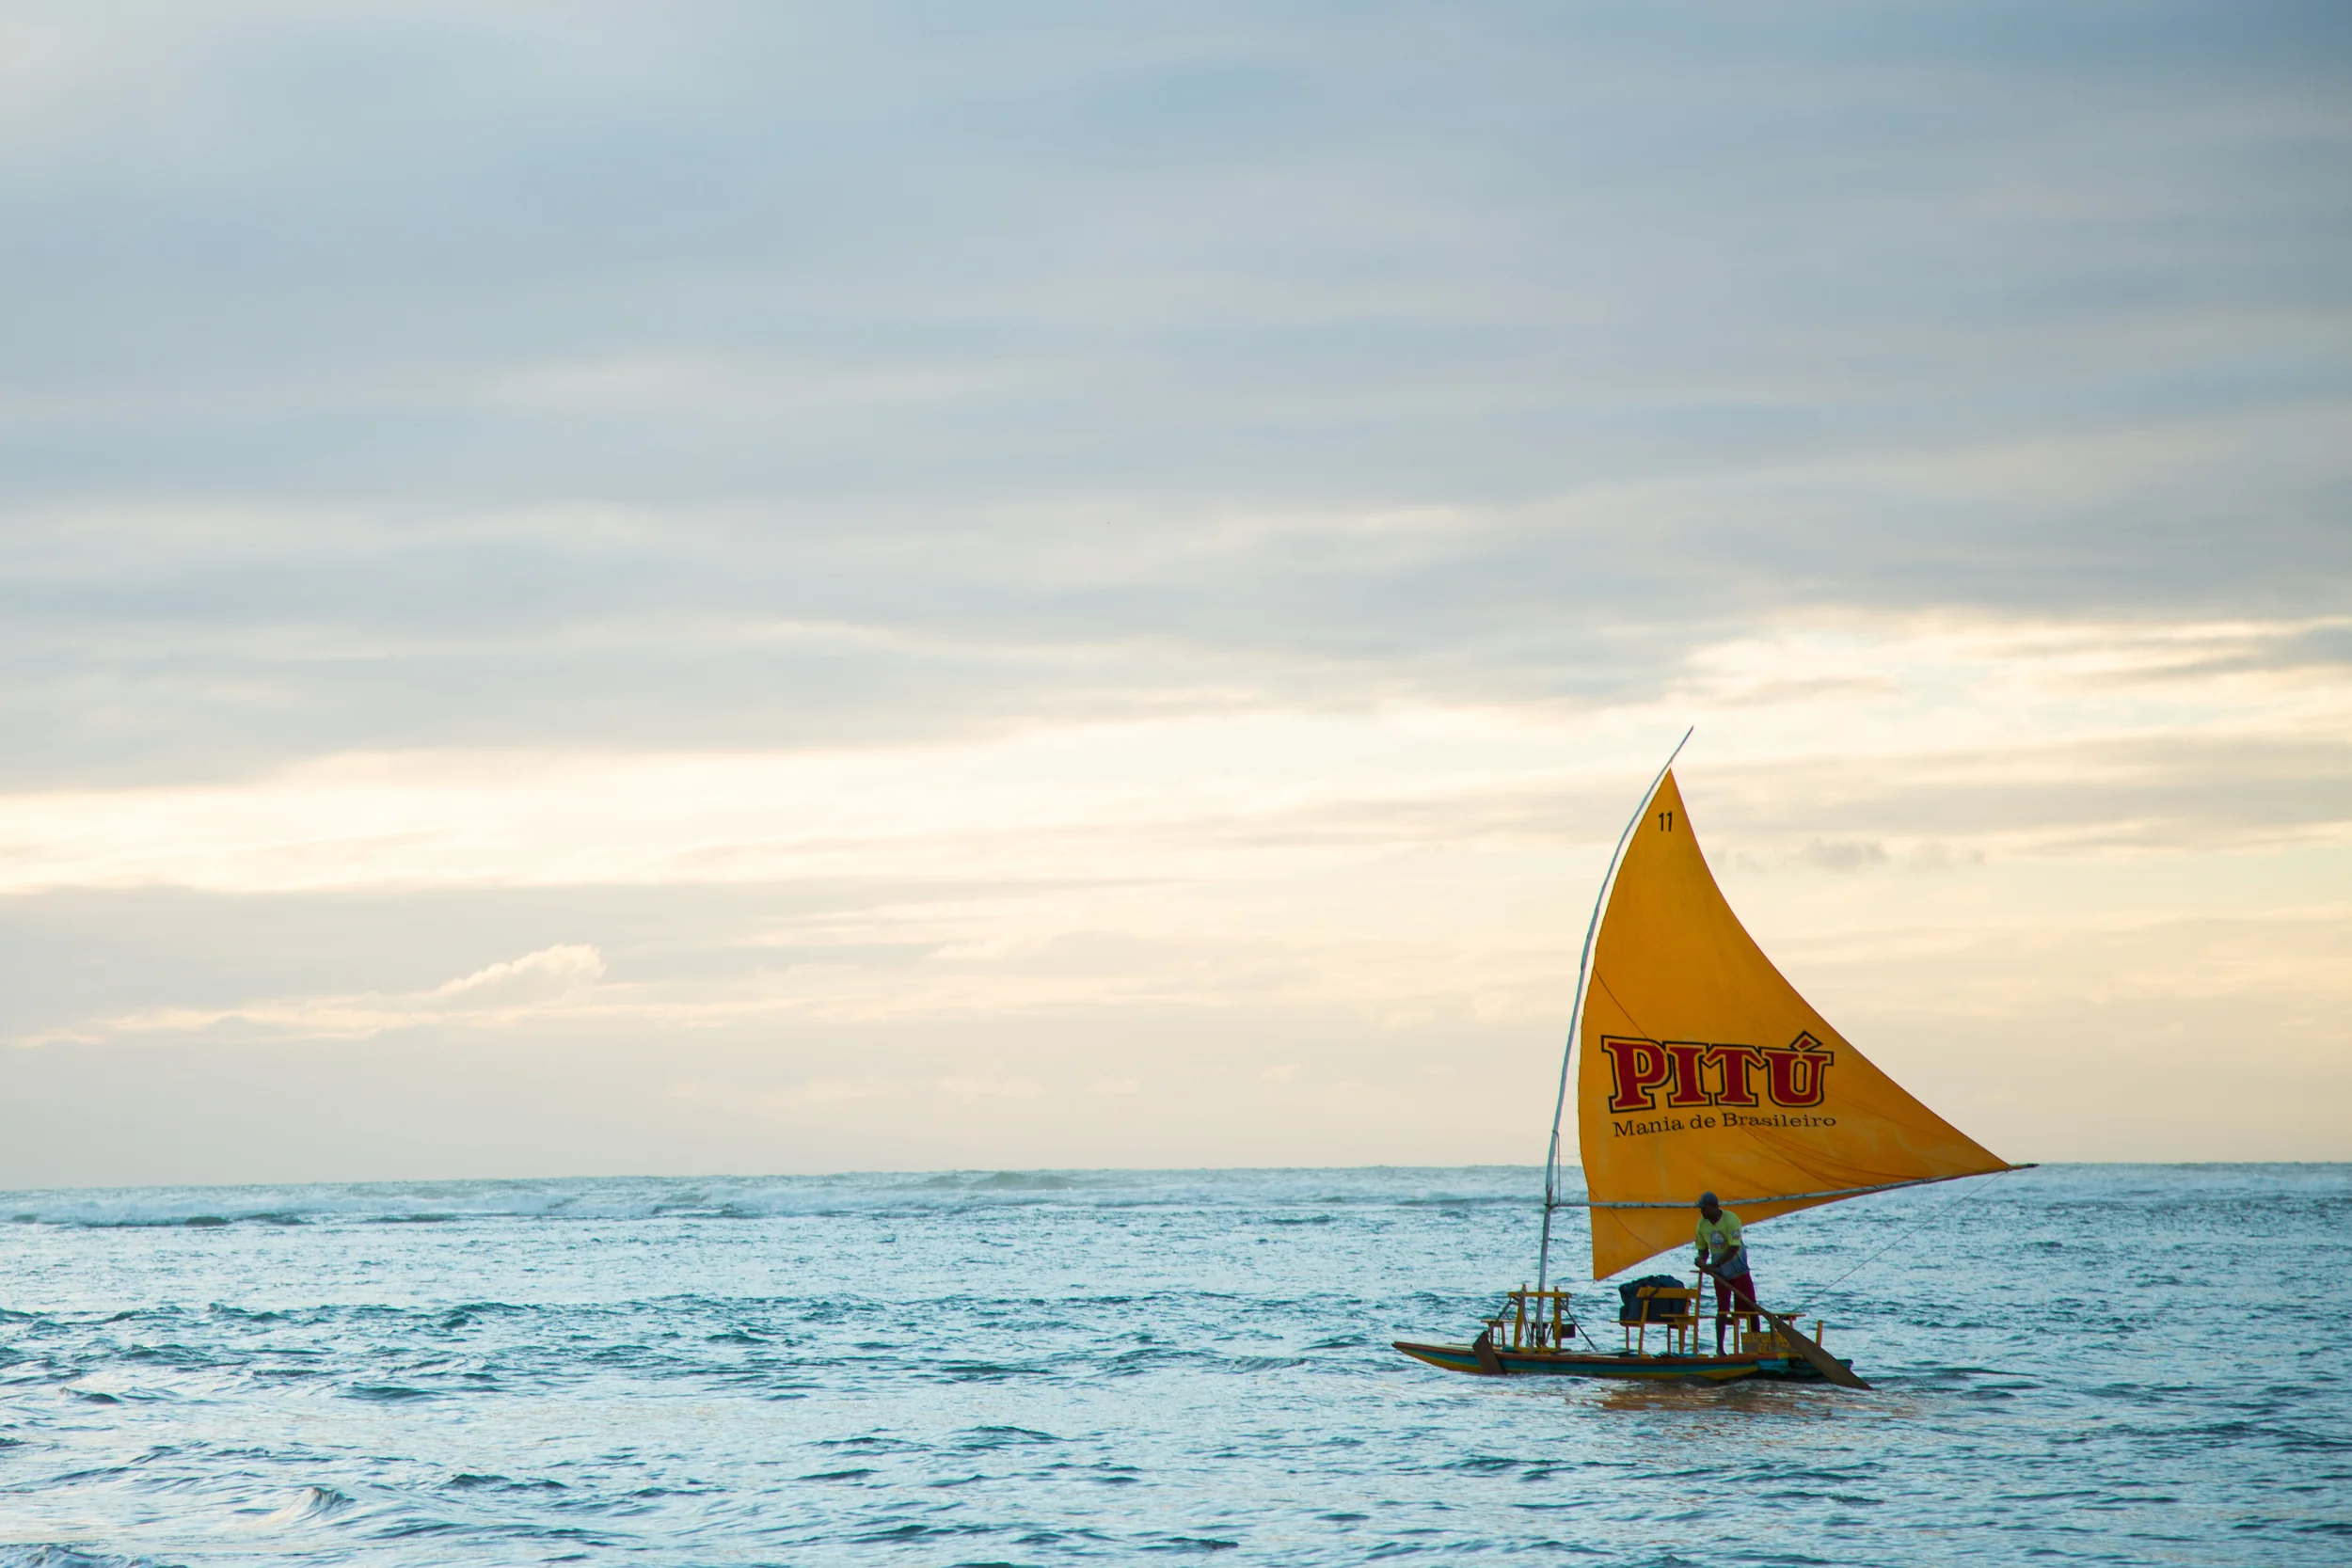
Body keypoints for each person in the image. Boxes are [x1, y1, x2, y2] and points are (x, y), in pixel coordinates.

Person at [1693, 1191, 1759, 1354]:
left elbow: (1734, 1247)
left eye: (1704, 1208)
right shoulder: (1701, 1224)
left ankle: (1756, 1347)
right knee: (1722, 1310)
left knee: (1750, 1307)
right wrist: (1702, 1261)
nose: (1702, 1211)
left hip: (1738, 1269)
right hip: (1720, 1273)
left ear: (1714, 1207)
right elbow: (1703, 1248)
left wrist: (1714, 1264)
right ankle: (1720, 1349)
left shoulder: (1731, 1219)